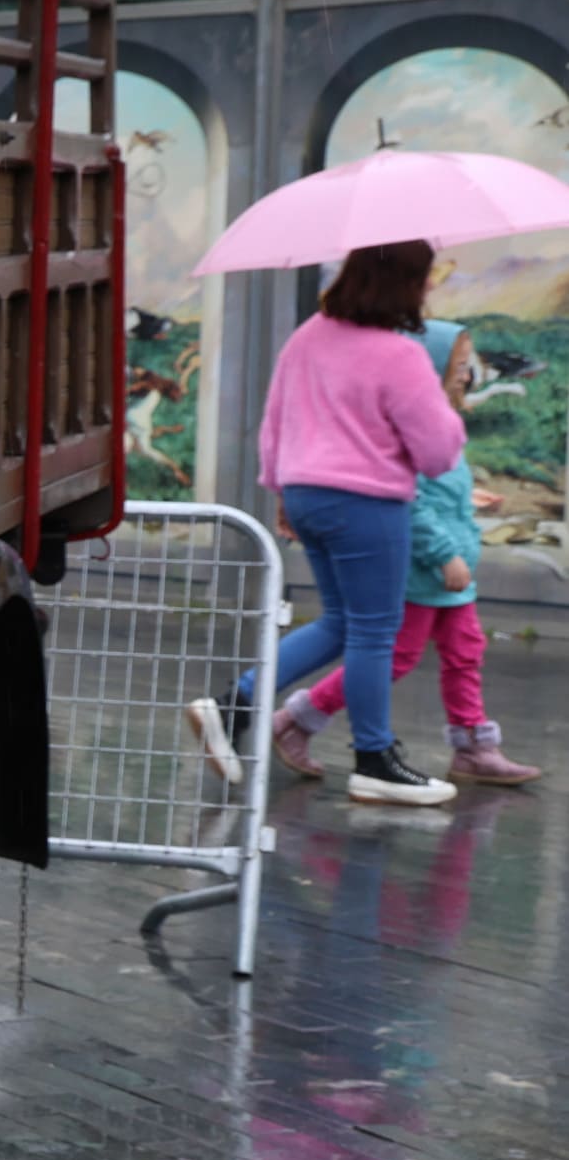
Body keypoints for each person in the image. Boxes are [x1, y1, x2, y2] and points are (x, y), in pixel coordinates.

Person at [189, 238, 468, 807]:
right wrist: (450, 412)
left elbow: (274, 421)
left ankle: (232, 706)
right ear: (403, 284)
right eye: (424, 276)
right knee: (374, 631)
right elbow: (438, 453)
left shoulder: (307, 336)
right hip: (368, 502)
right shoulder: (401, 354)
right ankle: (375, 760)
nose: (429, 286)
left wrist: (280, 491)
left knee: (342, 622)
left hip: (306, 494)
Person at [272, 319, 539, 786]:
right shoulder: (410, 426)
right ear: (429, 367)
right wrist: (442, 554)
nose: (467, 374)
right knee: (395, 656)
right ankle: (298, 719)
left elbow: (439, 492)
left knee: (465, 651)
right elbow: (411, 501)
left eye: (467, 365)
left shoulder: (445, 420)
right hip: (425, 570)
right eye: (457, 365)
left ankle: (474, 745)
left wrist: (467, 500)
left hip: (455, 570)